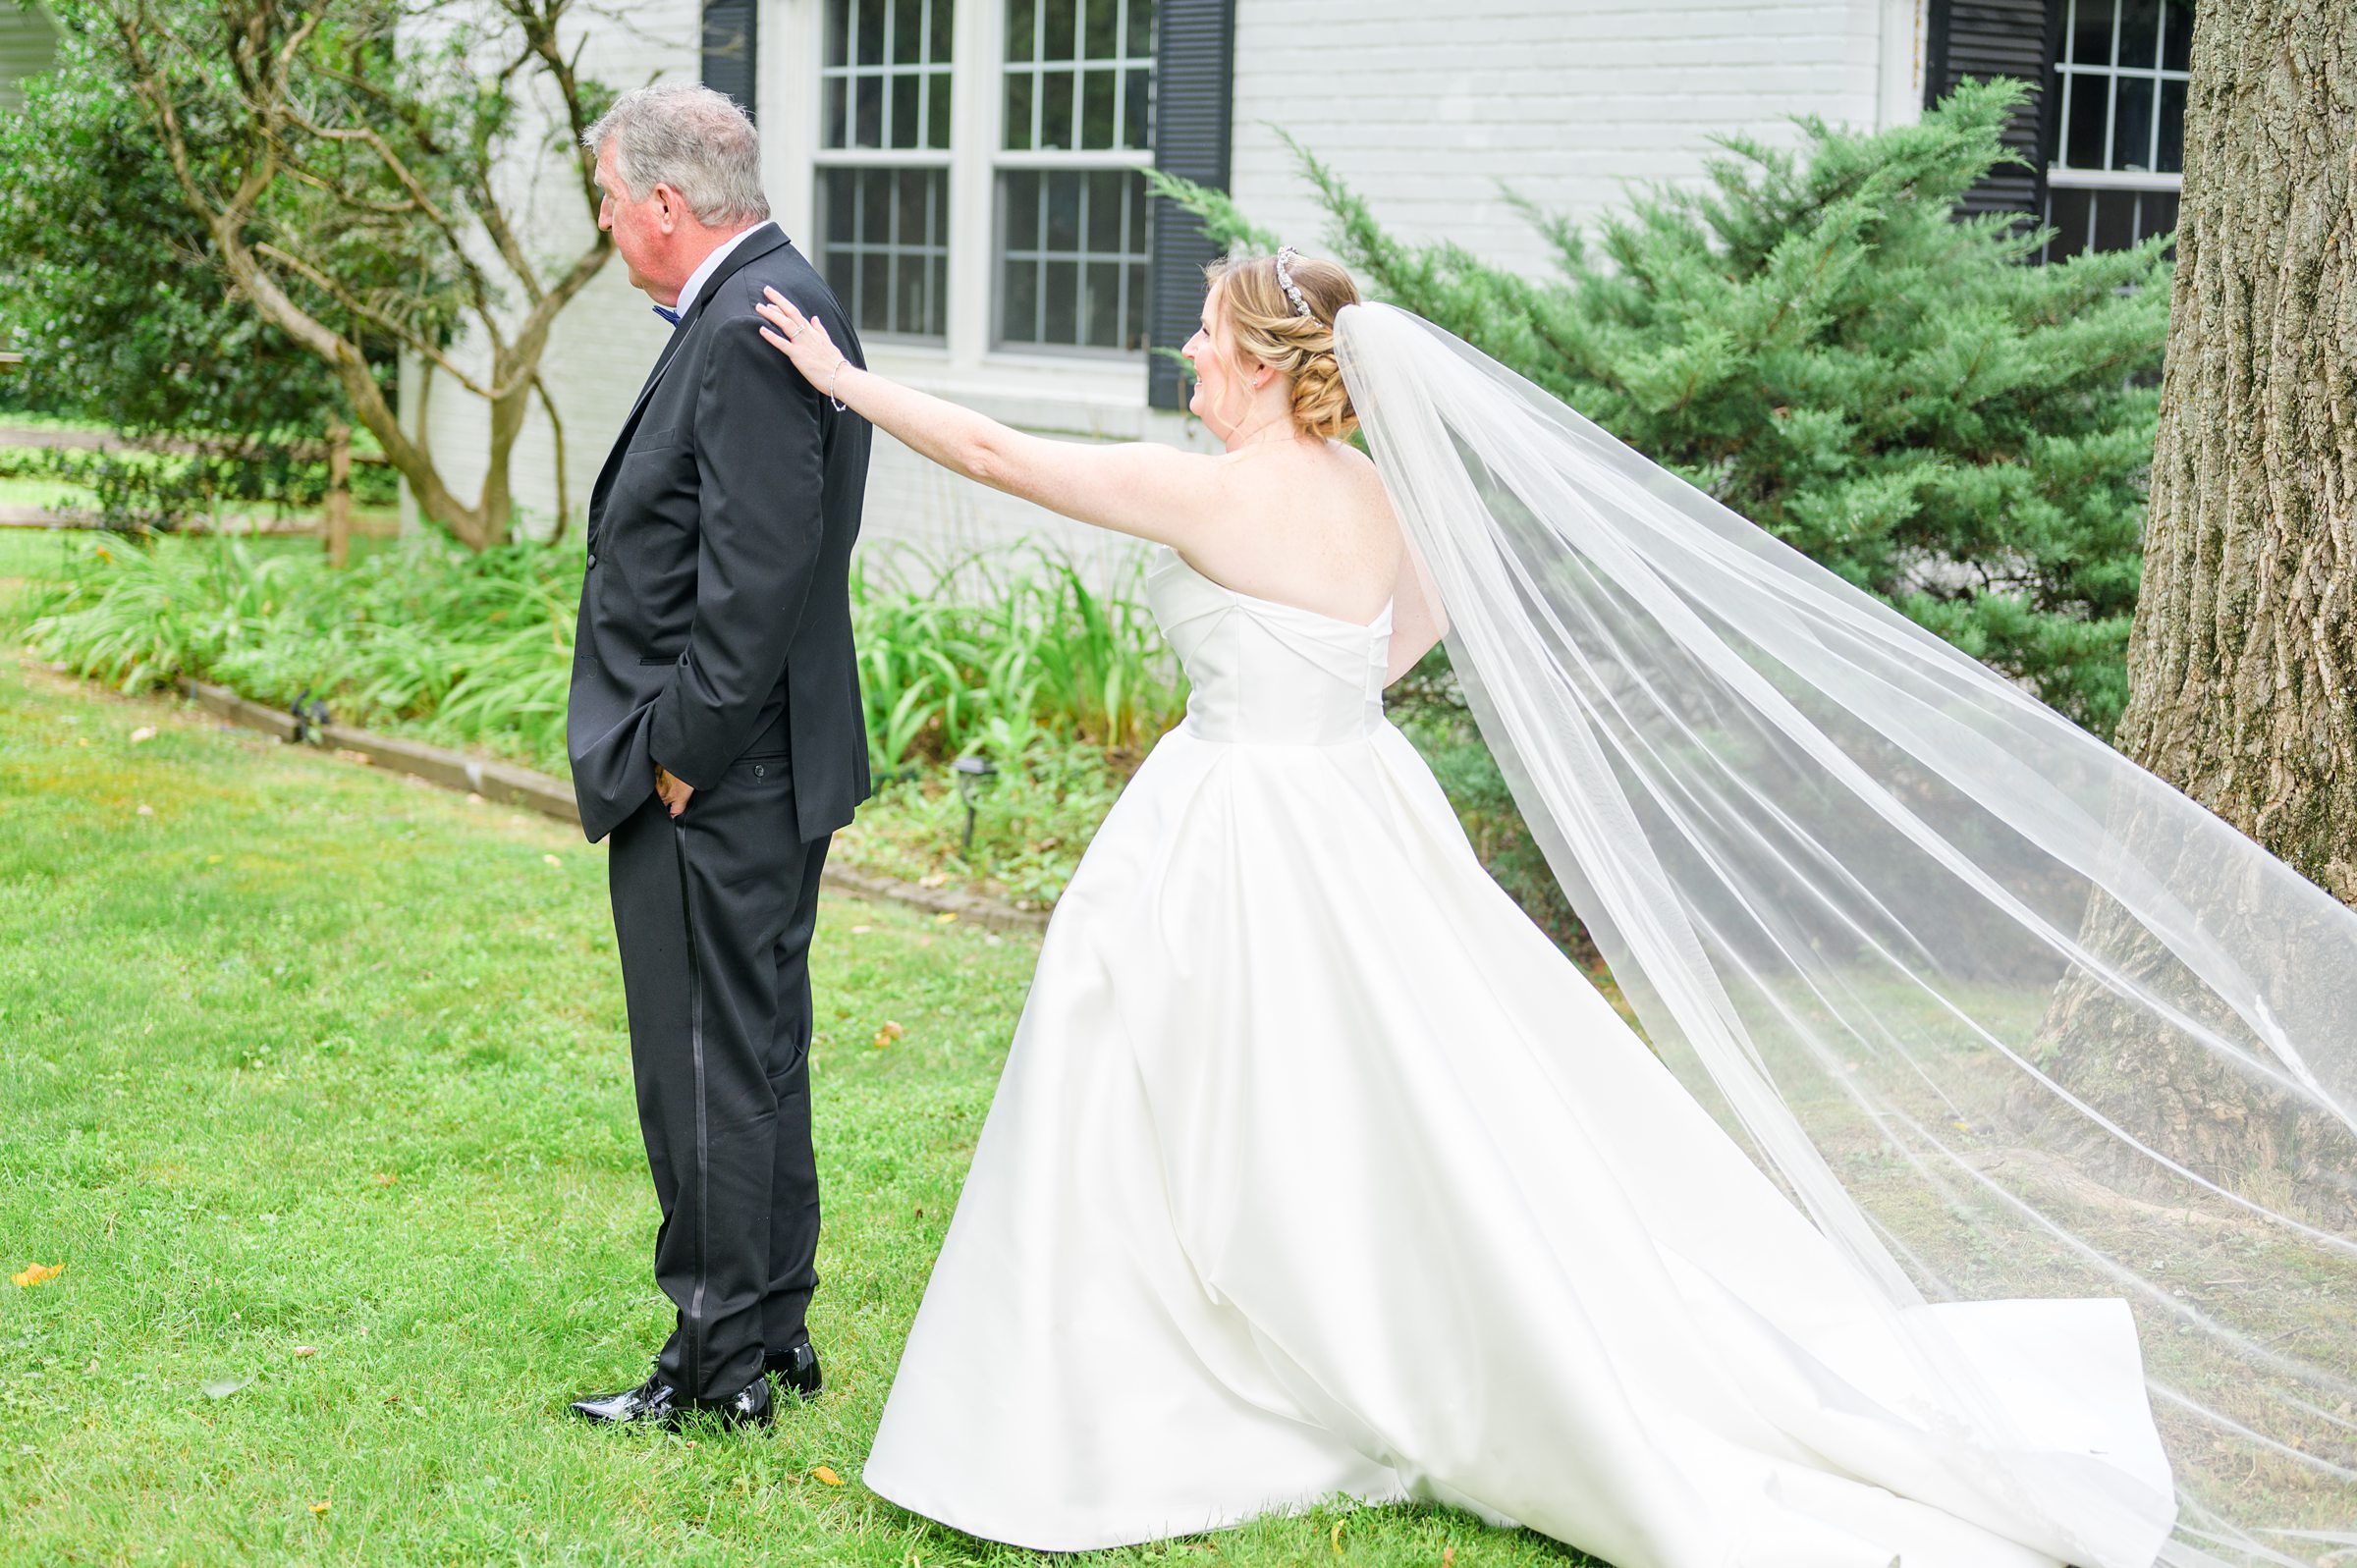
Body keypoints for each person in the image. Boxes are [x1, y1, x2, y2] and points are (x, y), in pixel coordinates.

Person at [747, 254, 2186, 1565]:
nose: (1185, 352)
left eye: (1202, 333)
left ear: (1259, 360)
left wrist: (839, 377)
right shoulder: (1376, 494)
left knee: (1157, 1065)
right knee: (1401, 1089)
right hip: (1354, 808)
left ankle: (1150, 1372)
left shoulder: (1223, 491)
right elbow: (1405, 636)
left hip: (1243, 821)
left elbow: (1001, 453)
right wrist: (1306, 689)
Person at [563, 83, 872, 1430]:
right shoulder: (775, 295)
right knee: (753, 1052)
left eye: (611, 202)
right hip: (757, 764)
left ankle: (715, 1358)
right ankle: (772, 1328)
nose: (608, 226)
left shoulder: (751, 323)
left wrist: (679, 748)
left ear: (666, 206)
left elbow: (760, 570)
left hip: (720, 776)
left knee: (703, 1062)